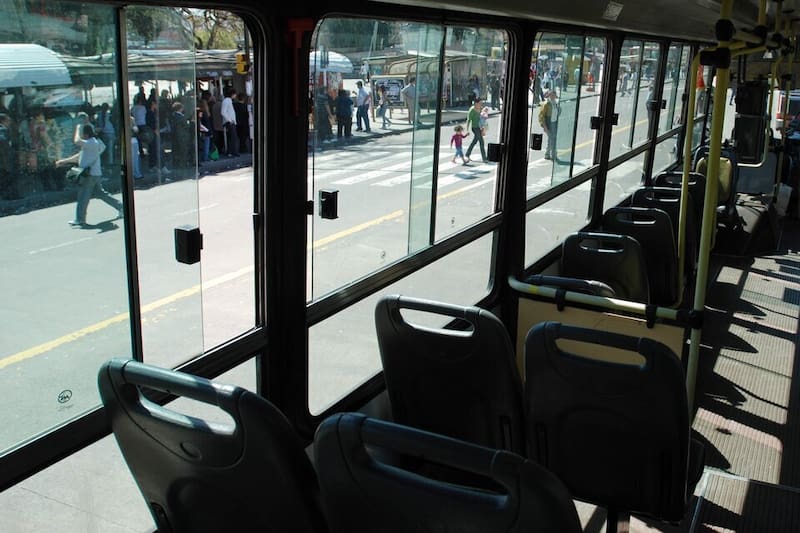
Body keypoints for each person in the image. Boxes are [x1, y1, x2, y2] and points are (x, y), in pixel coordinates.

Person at [56, 124, 122, 226]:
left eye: (83, 134)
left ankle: (80, 219)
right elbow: (78, 157)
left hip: (89, 175)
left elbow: (76, 141)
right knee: (100, 193)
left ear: (86, 134)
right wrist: (63, 161)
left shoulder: (92, 142)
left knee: (82, 196)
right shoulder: (90, 144)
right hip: (94, 174)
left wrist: (77, 128)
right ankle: (121, 207)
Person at [465, 97, 487, 163]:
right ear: (476, 103)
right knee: (481, 141)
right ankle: (484, 158)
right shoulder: (472, 110)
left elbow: (483, 118)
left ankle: (467, 154)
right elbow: (468, 120)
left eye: (481, 103)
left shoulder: (481, 109)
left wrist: (484, 128)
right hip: (475, 128)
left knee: (474, 141)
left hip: (480, 127)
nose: (481, 104)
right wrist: (467, 130)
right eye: (480, 103)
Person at [539, 90, 559, 160]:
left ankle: (547, 154)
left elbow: (557, 113)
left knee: (551, 139)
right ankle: (553, 154)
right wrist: (544, 126)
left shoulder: (556, 103)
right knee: (552, 139)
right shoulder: (546, 104)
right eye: (551, 95)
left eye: (554, 95)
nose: (553, 96)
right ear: (549, 95)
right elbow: (542, 116)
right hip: (548, 124)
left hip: (554, 123)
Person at [220, 86, 240, 157]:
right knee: (233, 137)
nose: (235, 95)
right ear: (232, 94)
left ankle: (231, 151)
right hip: (229, 122)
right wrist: (230, 120)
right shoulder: (227, 101)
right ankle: (233, 151)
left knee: (232, 137)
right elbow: (223, 112)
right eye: (235, 94)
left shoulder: (228, 101)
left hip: (230, 121)